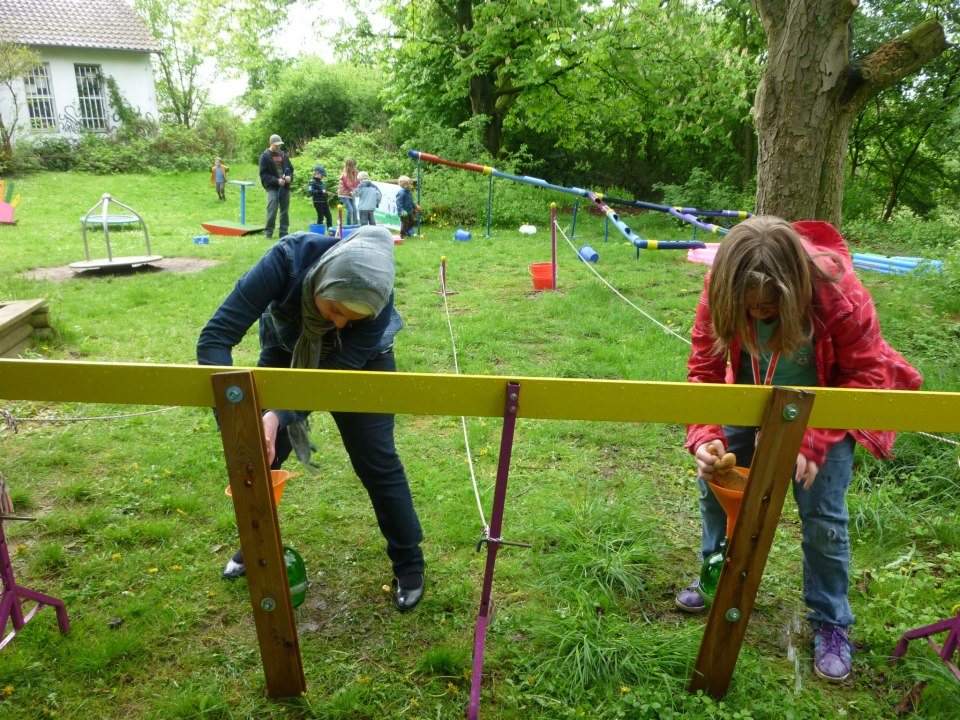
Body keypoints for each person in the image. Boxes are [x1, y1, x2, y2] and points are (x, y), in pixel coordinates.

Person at [677, 216, 922, 683]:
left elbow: (867, 377)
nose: (760, 315)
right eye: (750, 308)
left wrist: (815, 440)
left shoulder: (839, 293)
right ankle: (716, 573)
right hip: (746, 397)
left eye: (771, 307)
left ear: (795, 288)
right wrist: (705, 434)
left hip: (823, 411)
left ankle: (831, 623)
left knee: (824, 518)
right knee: (715, 486)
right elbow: (703, 369)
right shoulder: (719, 285)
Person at [196, 225, 426, 612]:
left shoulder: (377, 299)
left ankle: (410, 564)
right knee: (260, 455)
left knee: (376, 461)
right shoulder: (285, 262)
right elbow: (216, 336)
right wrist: (241, 423)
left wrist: (279, 414)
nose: (338, 323)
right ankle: (255, 547)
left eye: (351, 318)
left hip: (360, 365)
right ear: (322, 279)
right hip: (286, 348)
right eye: (335, 309)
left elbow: (328, 377)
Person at [259, 134, 294, 240]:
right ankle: (268, 233)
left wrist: (289, 177)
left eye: (279, 145)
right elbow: (263, 175)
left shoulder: (284, 155)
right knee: (272, 209)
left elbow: (291, 170)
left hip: (285, 187)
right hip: (272, 187)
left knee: (284, 210)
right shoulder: (264, 156)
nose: (278, 147)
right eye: (276, 145)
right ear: (270, 143)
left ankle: (283, 233)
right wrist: (277, 180)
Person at [307, 165, 333, 229]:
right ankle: (320, 232)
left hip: (324, 202)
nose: (323, 177)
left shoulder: (321, 183)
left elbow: (323, 192)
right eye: (322, 175)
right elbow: (310, 192)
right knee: (320, 217)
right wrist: (321, 191)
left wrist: (327, 193)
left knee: (329, 217)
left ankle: (330, 231)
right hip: (318, 203)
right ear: (317, 173)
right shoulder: (312, 182)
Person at [338, 157, 360, 226]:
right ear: (348, 166)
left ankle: (356, 225)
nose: (353, 168)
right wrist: (352, 190)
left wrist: (356, 190)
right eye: (352, 167)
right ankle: (348, 225)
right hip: (344, 193)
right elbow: (346, 184)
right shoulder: (345, 174)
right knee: (350, 209)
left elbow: (357, 181)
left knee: (355, 209)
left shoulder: (355, 172)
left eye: (354, 166)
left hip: (351, 193)